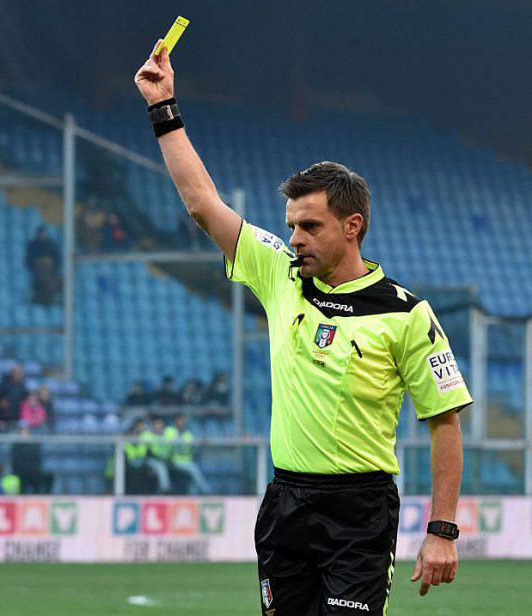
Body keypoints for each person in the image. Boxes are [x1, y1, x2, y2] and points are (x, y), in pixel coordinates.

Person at [136, 42, 471, 611]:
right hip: (286, 499)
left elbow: (445, 424)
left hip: (360, 510)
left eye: (310, 226)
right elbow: (202, 204)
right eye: (292, 225)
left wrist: (442, 530)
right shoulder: (280, 274)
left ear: (353, 226)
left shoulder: (408, 313)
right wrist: (163, 107)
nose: (294, 238)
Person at [164, 414, 210, 495]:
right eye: (179, 422)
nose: (181, 424)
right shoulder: (169, 431)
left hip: (185, 461)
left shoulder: (188, 435)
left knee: (196, 469)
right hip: (172, 460)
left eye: (183, 422)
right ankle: (207, 491)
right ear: (175, 422)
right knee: (193, 469)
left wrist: (201, 442)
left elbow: (190, 448)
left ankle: (197, 493)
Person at [140, 416, 171, 494]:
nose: (158, 427)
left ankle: (161, 491)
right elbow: (147, 452)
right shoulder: (147, 435)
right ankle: (165, 490)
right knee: (161, 467)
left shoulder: (168, 434)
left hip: (166, 459)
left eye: (160, 425)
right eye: (156, 425)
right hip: (150, 460)